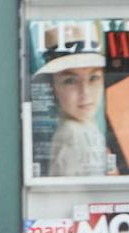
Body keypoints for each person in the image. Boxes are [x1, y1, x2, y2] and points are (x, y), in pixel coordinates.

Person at [34, 22, 108, 177]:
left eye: (93, 78)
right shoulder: (71, 134)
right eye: (70, 81)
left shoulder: (87, 127)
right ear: (52, 87)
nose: (85, 93)